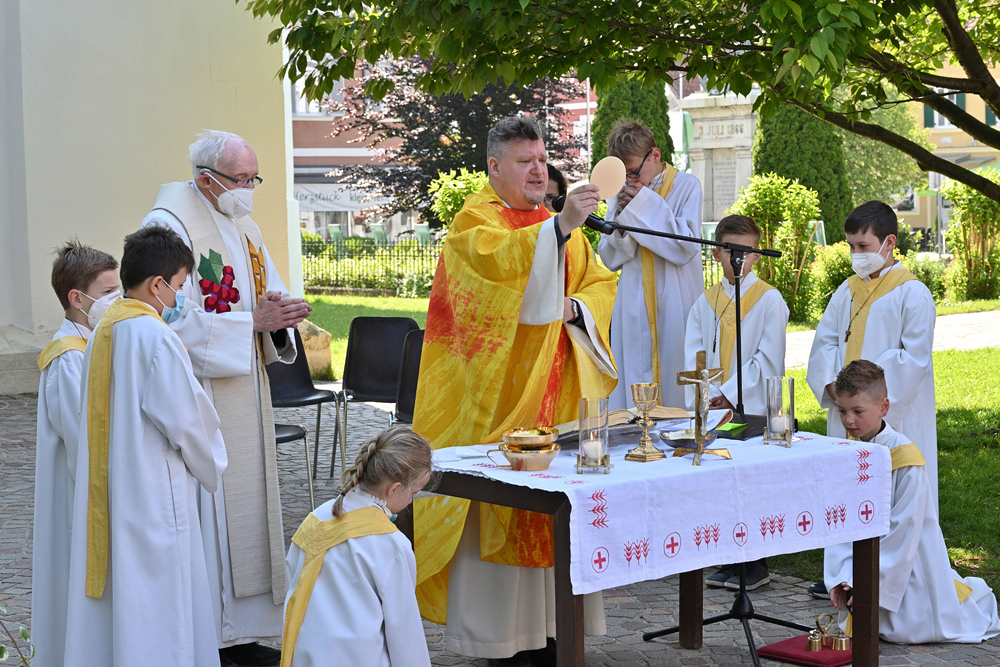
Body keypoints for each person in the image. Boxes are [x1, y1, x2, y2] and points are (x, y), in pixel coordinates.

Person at [411, 115, 618, 666]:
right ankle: (499, 643)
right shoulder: (474, 223)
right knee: (499, 509)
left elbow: (599, 282)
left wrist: (578, 307)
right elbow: (498, 270)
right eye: (524, 161)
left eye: (542, 159)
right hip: (496, 403)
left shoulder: (555, 223)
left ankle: (552, 634)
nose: (537, 170)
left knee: (553, 512)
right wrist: (559, 229)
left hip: (557, 396)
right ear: (494, 166)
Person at [142, 130, 311, 666]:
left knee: (248, 509)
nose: (249, 189)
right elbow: (164, 317)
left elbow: (265, 295)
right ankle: (212, 634)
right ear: (206, 179)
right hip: (201, 392)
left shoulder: (243, 224)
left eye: (254, 178)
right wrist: (250, 324)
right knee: (211, 517)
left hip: (244, 387)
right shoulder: (169, 226)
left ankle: (246, 630)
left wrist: (279, 316)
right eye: (241, 179)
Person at [63, 225, 228, 666]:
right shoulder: (155, 337)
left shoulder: (104, 329)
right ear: (157, 285)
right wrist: (213, 463)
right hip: (156, 492)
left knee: (129, 600)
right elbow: (187, 423)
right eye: (179, 286)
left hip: (117, 489)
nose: (181, 297)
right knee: (164, 605)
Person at [806, 200, 937, 599]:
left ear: (889, 242)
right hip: (847, 411)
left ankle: (897, 575)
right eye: (851, 246)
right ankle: (841, 574)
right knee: (844, 490)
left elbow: (913, 359)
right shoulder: (845, 292)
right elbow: (825, 343)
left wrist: (871, 400)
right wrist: (837, 390)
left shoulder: (913, 294)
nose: (856, 254)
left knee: (892, 492)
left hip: (890, 417)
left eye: (863, 246)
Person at [824, 360, 1000, 643]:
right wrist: (841, 576)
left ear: (883, 407)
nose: (849, 421)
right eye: (842, 411)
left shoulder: (905, 458)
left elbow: (904, 527)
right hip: (866, 562)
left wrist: (865, 583)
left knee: (910, 628)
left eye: (858, 411)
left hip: (907, 561)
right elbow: (839, 520)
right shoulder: (847, 452)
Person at [683, 215, 788, 591]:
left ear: (758, 255)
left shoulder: (769, 300)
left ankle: (755, 563)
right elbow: (694, 354)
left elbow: (768, 358)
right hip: (713, 405)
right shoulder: (705, 301)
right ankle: (729, 558)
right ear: (716, 253)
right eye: (730, 250)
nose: (737, 258)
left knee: (753, 481)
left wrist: (728, 392)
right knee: (721, 480)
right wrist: (704, 396)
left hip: (752, 406)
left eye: (746, 251)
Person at [30, 242, 118, 667]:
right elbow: (81, 437)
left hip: (93, 487)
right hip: (79, 493)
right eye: (108, 292)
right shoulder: (68, 357)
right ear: (77, 299)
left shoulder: (94, 342)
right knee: (76, 579)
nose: (118, 299)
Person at [282, 427, 434, 667]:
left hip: (305, 654)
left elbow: (293, 581)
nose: (411, 500)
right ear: (394, 489)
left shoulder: (317, 517)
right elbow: (404, 630)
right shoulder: (391, 543)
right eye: (414, 492)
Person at [598, 120, 704, 410]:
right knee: (634, 376)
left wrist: (642, 204)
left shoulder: (686, 186)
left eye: (633, 171)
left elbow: (685, 247)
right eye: (623, 174)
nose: (629, 180)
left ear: (654, 155)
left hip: (675, 301)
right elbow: (610, 258)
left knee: (676, 374)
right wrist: (621, 223)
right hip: (633, 304)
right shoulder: (620, 191)